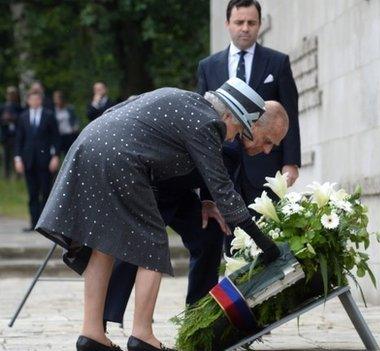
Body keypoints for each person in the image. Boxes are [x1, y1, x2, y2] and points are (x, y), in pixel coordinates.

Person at [35, 78, 285, 351]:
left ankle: (91, 334)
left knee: (102, 243)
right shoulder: (208, 123)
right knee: (152, 244)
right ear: (227, 115)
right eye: (239, 127)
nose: (236, 135)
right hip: (122, 159)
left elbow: (125, 107)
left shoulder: (185, 101)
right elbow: (222, 190)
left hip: (89, 144)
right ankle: (143, 336)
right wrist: (265, 245)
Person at [103, 101, 288, 326]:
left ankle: (197, 316)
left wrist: (208, 201)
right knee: (139, 244)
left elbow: (217, 178)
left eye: (273, 146)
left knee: (209, 232)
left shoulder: (237, 144)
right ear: (254, 124)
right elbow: (224, 188)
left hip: (179, 189)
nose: (268, 150)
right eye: (268, 141)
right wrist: (262, 241)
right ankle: (102, 316)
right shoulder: (225, 133)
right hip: (153, 184)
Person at [197, 0, 301, 198]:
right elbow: (203, 118)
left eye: (251, 23)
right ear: (227, 23)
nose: (245, 28)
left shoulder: (278, 63)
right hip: (221, 167)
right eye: (239, 22)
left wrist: (291, 162)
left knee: (264, 227)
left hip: (266, 167)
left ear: (259, 24)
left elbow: (290, 115)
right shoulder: (207, 66)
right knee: (223, 228)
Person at [14, 90, 60, 232]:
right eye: (31, 99)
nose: (34, 102)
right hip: (29, 161)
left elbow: (56, 138)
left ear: (40, 100)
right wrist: (17, 159)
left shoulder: (49, 115)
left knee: (46, 192)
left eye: (37, 99)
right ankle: (33, 223)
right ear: (28, 101)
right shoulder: (23, 117)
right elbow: (19, 139)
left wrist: (55, 156)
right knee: (32, 193)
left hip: (45, 160)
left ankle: (45, 225)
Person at [1, 86, 22, 178]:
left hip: (16, 135)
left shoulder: (18, 107)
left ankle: (17, 174)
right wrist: (4, 119)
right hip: (6, 135)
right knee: (6, 156)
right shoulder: (3, 106)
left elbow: (22, 119)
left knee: (16, 154)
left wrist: (13, 118)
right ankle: (6, 174)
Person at [53, 90, 80, 155]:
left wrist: (75, 127)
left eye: (57, 99)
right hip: (59, 135)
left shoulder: (69, 108)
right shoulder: (53, 110)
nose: (56, 101)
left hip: (69, 134)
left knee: (69, 153)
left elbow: (75, 119)